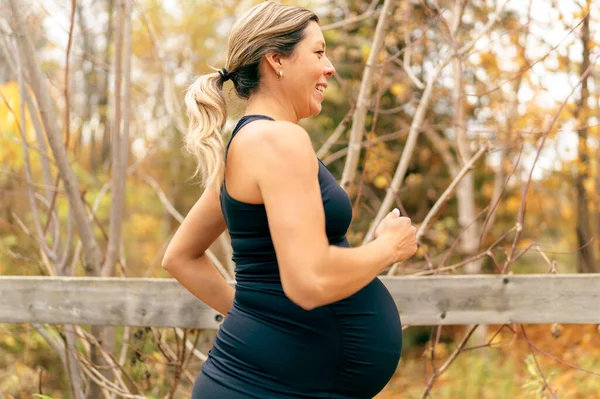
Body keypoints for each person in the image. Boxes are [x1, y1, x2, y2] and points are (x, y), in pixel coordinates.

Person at [161, 2, 418, 398]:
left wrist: (263, 321)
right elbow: (310, 280)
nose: (329, 67)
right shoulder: (277, 140)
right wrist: (388, 247)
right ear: (277, 60)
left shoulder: (249, 145)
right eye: (318, 52)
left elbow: (180, 256)